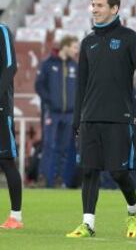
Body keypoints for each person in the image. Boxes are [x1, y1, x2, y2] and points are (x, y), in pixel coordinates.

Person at [66, 0, 136, 238]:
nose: (94, 9)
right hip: (90, 116)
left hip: (119, 116)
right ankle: (88, 223)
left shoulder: (130, 38)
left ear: (114, 9)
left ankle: (134, 211)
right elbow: (81, 83)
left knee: (118, 172)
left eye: (100, 5)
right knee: (89, 170)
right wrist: (77, 116)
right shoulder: (88, 41)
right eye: (93, 5)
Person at [35, 35, 79, 188]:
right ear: (65, 46)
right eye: (74, 47)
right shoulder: (48, 64)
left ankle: (59, 179)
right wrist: (50, 102)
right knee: (48, 145)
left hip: (69, 114)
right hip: (52, 113)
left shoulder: (75, 66)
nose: (76, 50)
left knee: (64, 147)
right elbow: (39, 86)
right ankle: (42, 178)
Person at [0, 23, 23, 229]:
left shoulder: (2, 30)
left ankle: (15, 216)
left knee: (6, 160)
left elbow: (10, 65)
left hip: (0, 109)